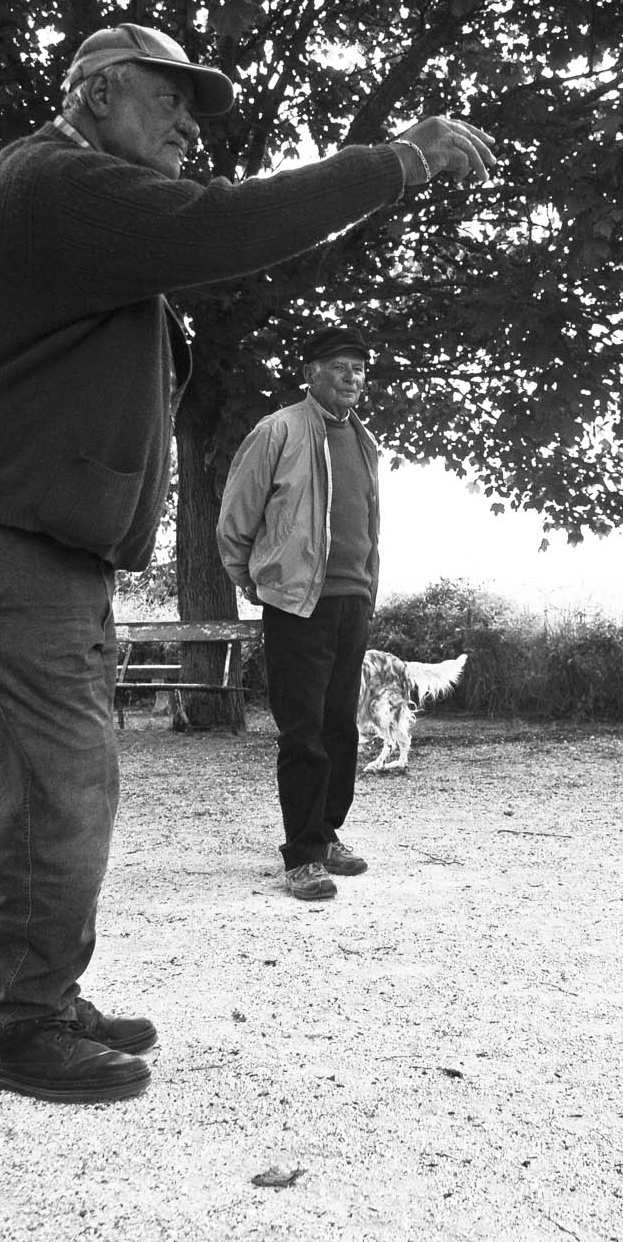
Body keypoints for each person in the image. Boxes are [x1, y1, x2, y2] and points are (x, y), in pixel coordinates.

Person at [0, 20, 495, 1104]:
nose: (187, 124)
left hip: (20, 532)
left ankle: (43, 991)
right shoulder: (55, 183)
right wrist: (396, 161)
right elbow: (226, 225)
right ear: (97, 90)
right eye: (168, 98)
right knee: (59, 773)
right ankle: (20, 1025)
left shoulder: (69, 207)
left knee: (68, 771)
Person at [217, 326, 381, 902]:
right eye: (339, 367)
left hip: (351, 601)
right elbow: (235, 521)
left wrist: (366, 588)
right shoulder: (278, 430)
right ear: (310, 372)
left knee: (341, 725)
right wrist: (260, 584)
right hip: (296, 603)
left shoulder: (364, 441)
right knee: (303, 729)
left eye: (359, 369)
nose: (352, 378)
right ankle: (304, 855)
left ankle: (329, 832)